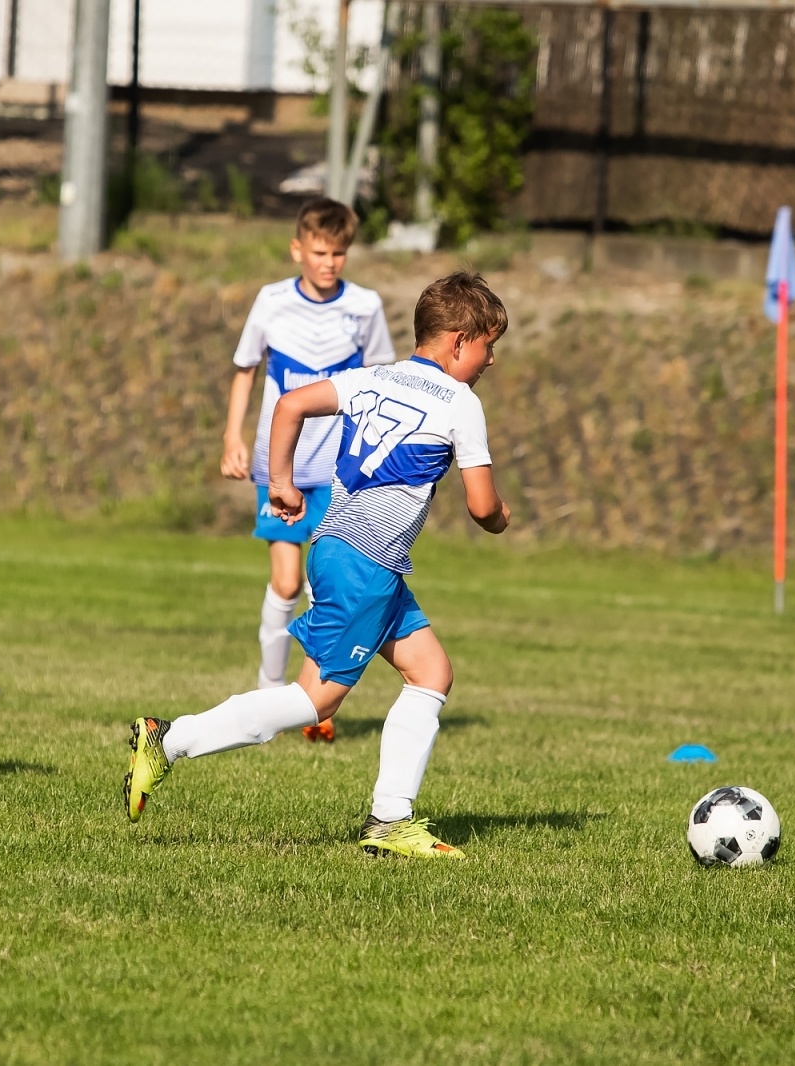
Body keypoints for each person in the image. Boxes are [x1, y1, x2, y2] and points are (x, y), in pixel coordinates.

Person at [126, 272, 510, 858]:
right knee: (315, 700)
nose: (490, 361)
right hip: (369, 565)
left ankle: (390, 819)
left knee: (431, 672)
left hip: (337, 548)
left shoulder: (371, 377)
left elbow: (290, 404)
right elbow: (482, 506)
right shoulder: (461, 402)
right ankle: (170, 739)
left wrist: (279, 483)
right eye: (488, 346)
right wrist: (502, 515)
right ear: (459, 341)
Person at [220, 198, 395, 741]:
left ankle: (313, 709)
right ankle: (270, 691)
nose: (329, 262)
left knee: (328, 586)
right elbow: (246, 370)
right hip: (282, 464)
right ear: (298, 248)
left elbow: (382, 381)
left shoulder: (365, 307)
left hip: (342, 469)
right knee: (287, 579)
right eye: (320, 251)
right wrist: (232, 436)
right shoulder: (271, 301)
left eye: (339, 252)